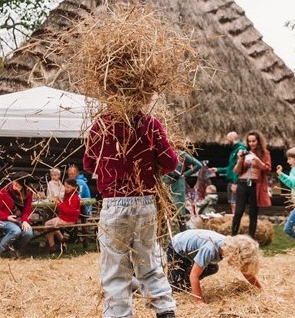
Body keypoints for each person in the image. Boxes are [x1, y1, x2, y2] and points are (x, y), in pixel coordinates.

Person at [84, 111, 179, 318]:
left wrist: (113, 167)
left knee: (115, 266)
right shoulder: (150, 123)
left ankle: (119, 314)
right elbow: (171, 163)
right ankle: (165, 311)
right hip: (145, 202)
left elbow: (89, 163)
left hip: (114, 202)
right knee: (148, 260)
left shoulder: (102, 124)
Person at [167, 230, 263, 304]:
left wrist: (261, 289)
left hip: (190, 251)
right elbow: (194, 275)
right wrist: (199, 301)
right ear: (235, 255)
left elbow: (245, 271)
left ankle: (187, 282)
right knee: (176, 288)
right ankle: (181, 281)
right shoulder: (210, 249)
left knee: (213, 268)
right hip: (177, 249)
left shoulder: (228, 246)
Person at [231, 130, 272, 239]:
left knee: (253, 214)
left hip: (256, 185)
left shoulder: (265, 153)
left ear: (258, 141)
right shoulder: (245, 152)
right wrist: (240, 159)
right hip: (243, 183)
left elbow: (267, 169)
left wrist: (257, 159)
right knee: (238, 212)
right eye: (249, 141)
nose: (251, 143)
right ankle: (233, 236)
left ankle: (251, 239)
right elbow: (235, 171)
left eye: (254, 141)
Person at [0, 172, 34, 259]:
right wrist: (7, 217)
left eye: (18, 184)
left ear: (24, 186)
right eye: (14, 182)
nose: (14, 185)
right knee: (16, 231)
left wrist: (25, 221)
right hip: (2, 219)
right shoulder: (4, 192)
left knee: (28, 232)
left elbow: (27, 210)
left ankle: (14, 248)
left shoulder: (28, 193)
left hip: (18, 219)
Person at [162, 150, 202, 230]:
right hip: (164, 186)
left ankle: (183, 233)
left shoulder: (181, 154)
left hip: (177, 186)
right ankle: (166, 235)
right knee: (163, 212)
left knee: (180, 213)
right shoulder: (162, 152)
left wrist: (185, 174)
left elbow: (198, 165)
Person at [211, 132, 247, 213]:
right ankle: (235, 221)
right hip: (231, 180)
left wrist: (235, 182)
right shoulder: (234, 150)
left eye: (227, 138)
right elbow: (231, 168)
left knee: (235, 203)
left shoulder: (240, 149)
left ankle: (238, 221)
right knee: (232, 202)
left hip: (236, 181)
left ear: (231, 138)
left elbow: (240, 167)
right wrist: (218, 169)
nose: (227, 141)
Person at [44, 178, 81, 254]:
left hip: (69, 219)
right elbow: (66, 206)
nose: (66, 188)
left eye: (68, 187)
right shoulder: (69, 195)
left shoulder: (74, 197)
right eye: (65, 186)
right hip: (64, 217)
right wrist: (59, 201)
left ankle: (52, 245)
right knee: (50, 224)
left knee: (48, 224)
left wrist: (59, 204)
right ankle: (61, 239)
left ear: (73, 187)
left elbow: (69, 211)